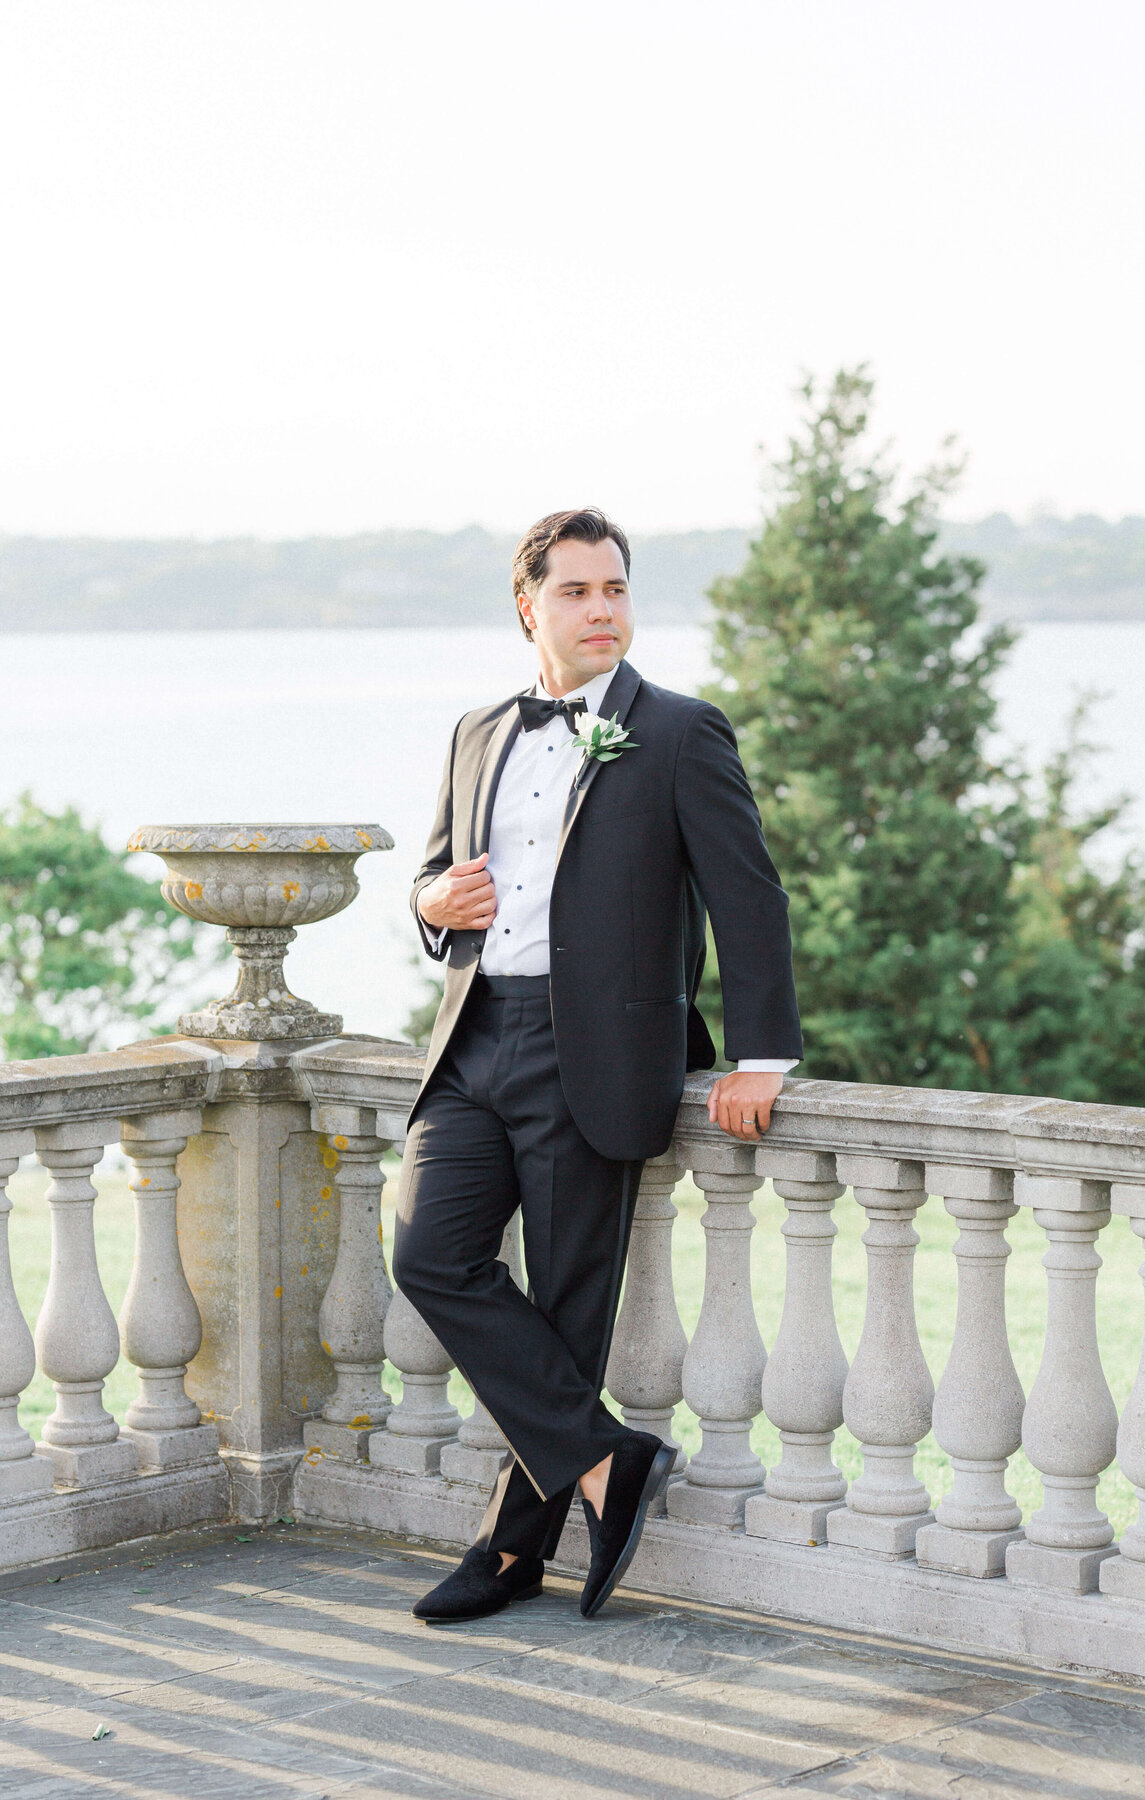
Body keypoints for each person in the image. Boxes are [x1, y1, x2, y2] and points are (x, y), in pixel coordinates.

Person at [395, 506, 803, 1623]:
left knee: (572, 1311)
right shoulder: (479, 730)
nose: (601, 610)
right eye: (575, 592)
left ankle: (510, 1554)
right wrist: (432, 903)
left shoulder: (678, 731)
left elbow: (748, 897)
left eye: (615, 589)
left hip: (600, 1055)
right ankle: (608, 1462)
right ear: (528, 607)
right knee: (427, 1253)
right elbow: (436, 877)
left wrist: (765, 1054)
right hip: (476, 1040)